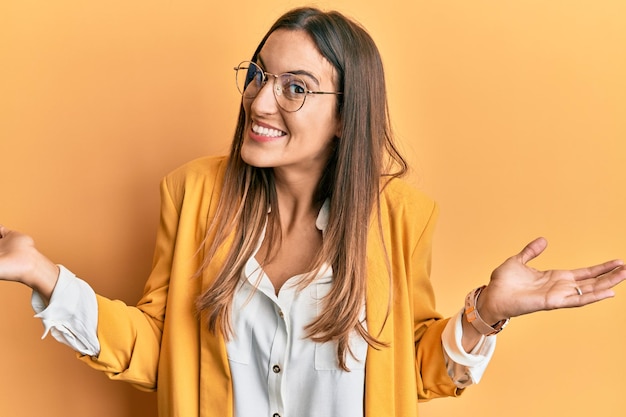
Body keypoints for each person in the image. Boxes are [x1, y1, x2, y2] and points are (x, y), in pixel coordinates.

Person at [0, 6, 624, 417]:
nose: (260, 100)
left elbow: (411, 371)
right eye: (258, 75)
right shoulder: (192, 196)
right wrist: (41, 274)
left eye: (295, 87)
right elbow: (159, 348)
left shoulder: (401, 218)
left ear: (347, 116)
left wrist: (487, 312)